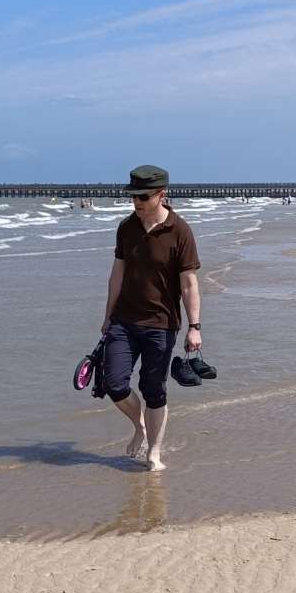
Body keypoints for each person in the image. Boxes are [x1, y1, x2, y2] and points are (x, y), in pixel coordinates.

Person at [101, 164, 201, 472]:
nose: (137, 203)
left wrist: (194, 326)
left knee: (154, 390)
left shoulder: (180, 230)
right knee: (114, 383)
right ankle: (140, 426)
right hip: (123, 321)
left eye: (143, 197)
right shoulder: (126, 227)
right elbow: (117, 274)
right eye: (133, 197)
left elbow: (188, 283)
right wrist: (107, 317)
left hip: (161, 323)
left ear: (161, 195)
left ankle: (154, 451)